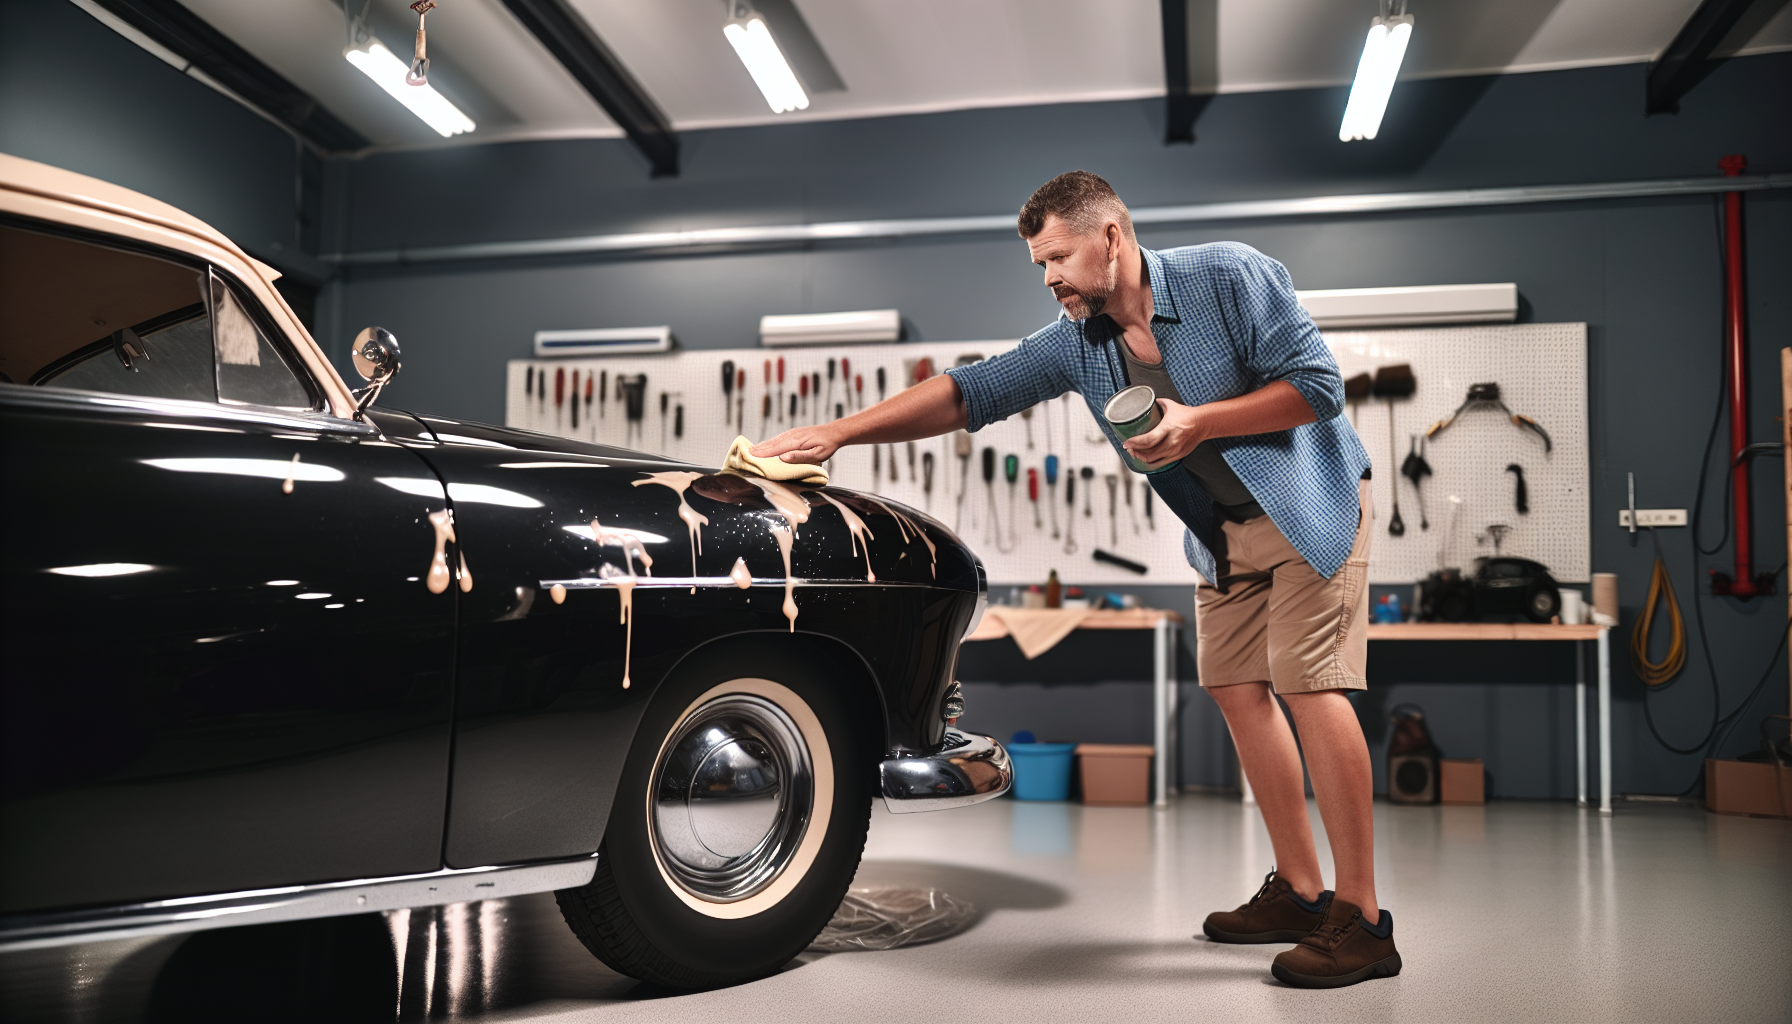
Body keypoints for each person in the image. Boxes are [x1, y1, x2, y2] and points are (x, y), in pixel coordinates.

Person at [751, 170, 1396, 988]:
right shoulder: (1077, 343)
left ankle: (1364, 918)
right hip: (1222, 534)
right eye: (1038, 264)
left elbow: (1318, 388)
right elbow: (968, 393)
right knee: (1237, 687)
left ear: (1113, 237)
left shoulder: (1229, 275)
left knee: (1311, 685)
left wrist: (1198, 421)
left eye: (1058, 256)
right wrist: (838, 433)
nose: (1049, 276)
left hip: (1309, 504)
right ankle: (1303, 892)